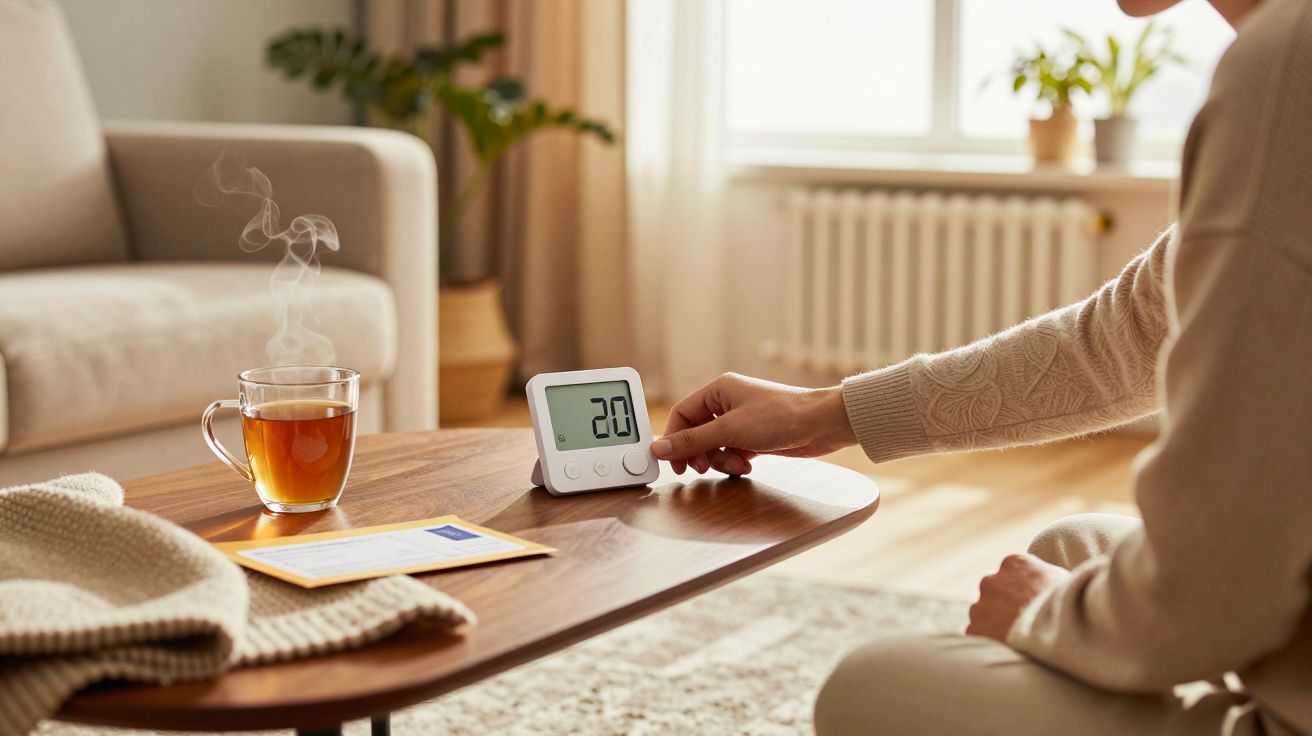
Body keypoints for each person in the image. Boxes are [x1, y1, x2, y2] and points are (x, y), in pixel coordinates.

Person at [649, 0, 1312, 732]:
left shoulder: (1285, 61)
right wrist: (824, 413)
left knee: (873, 686)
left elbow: (1209, 598)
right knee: (1072, 544)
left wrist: (1044, 615)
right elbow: (1120, 339)